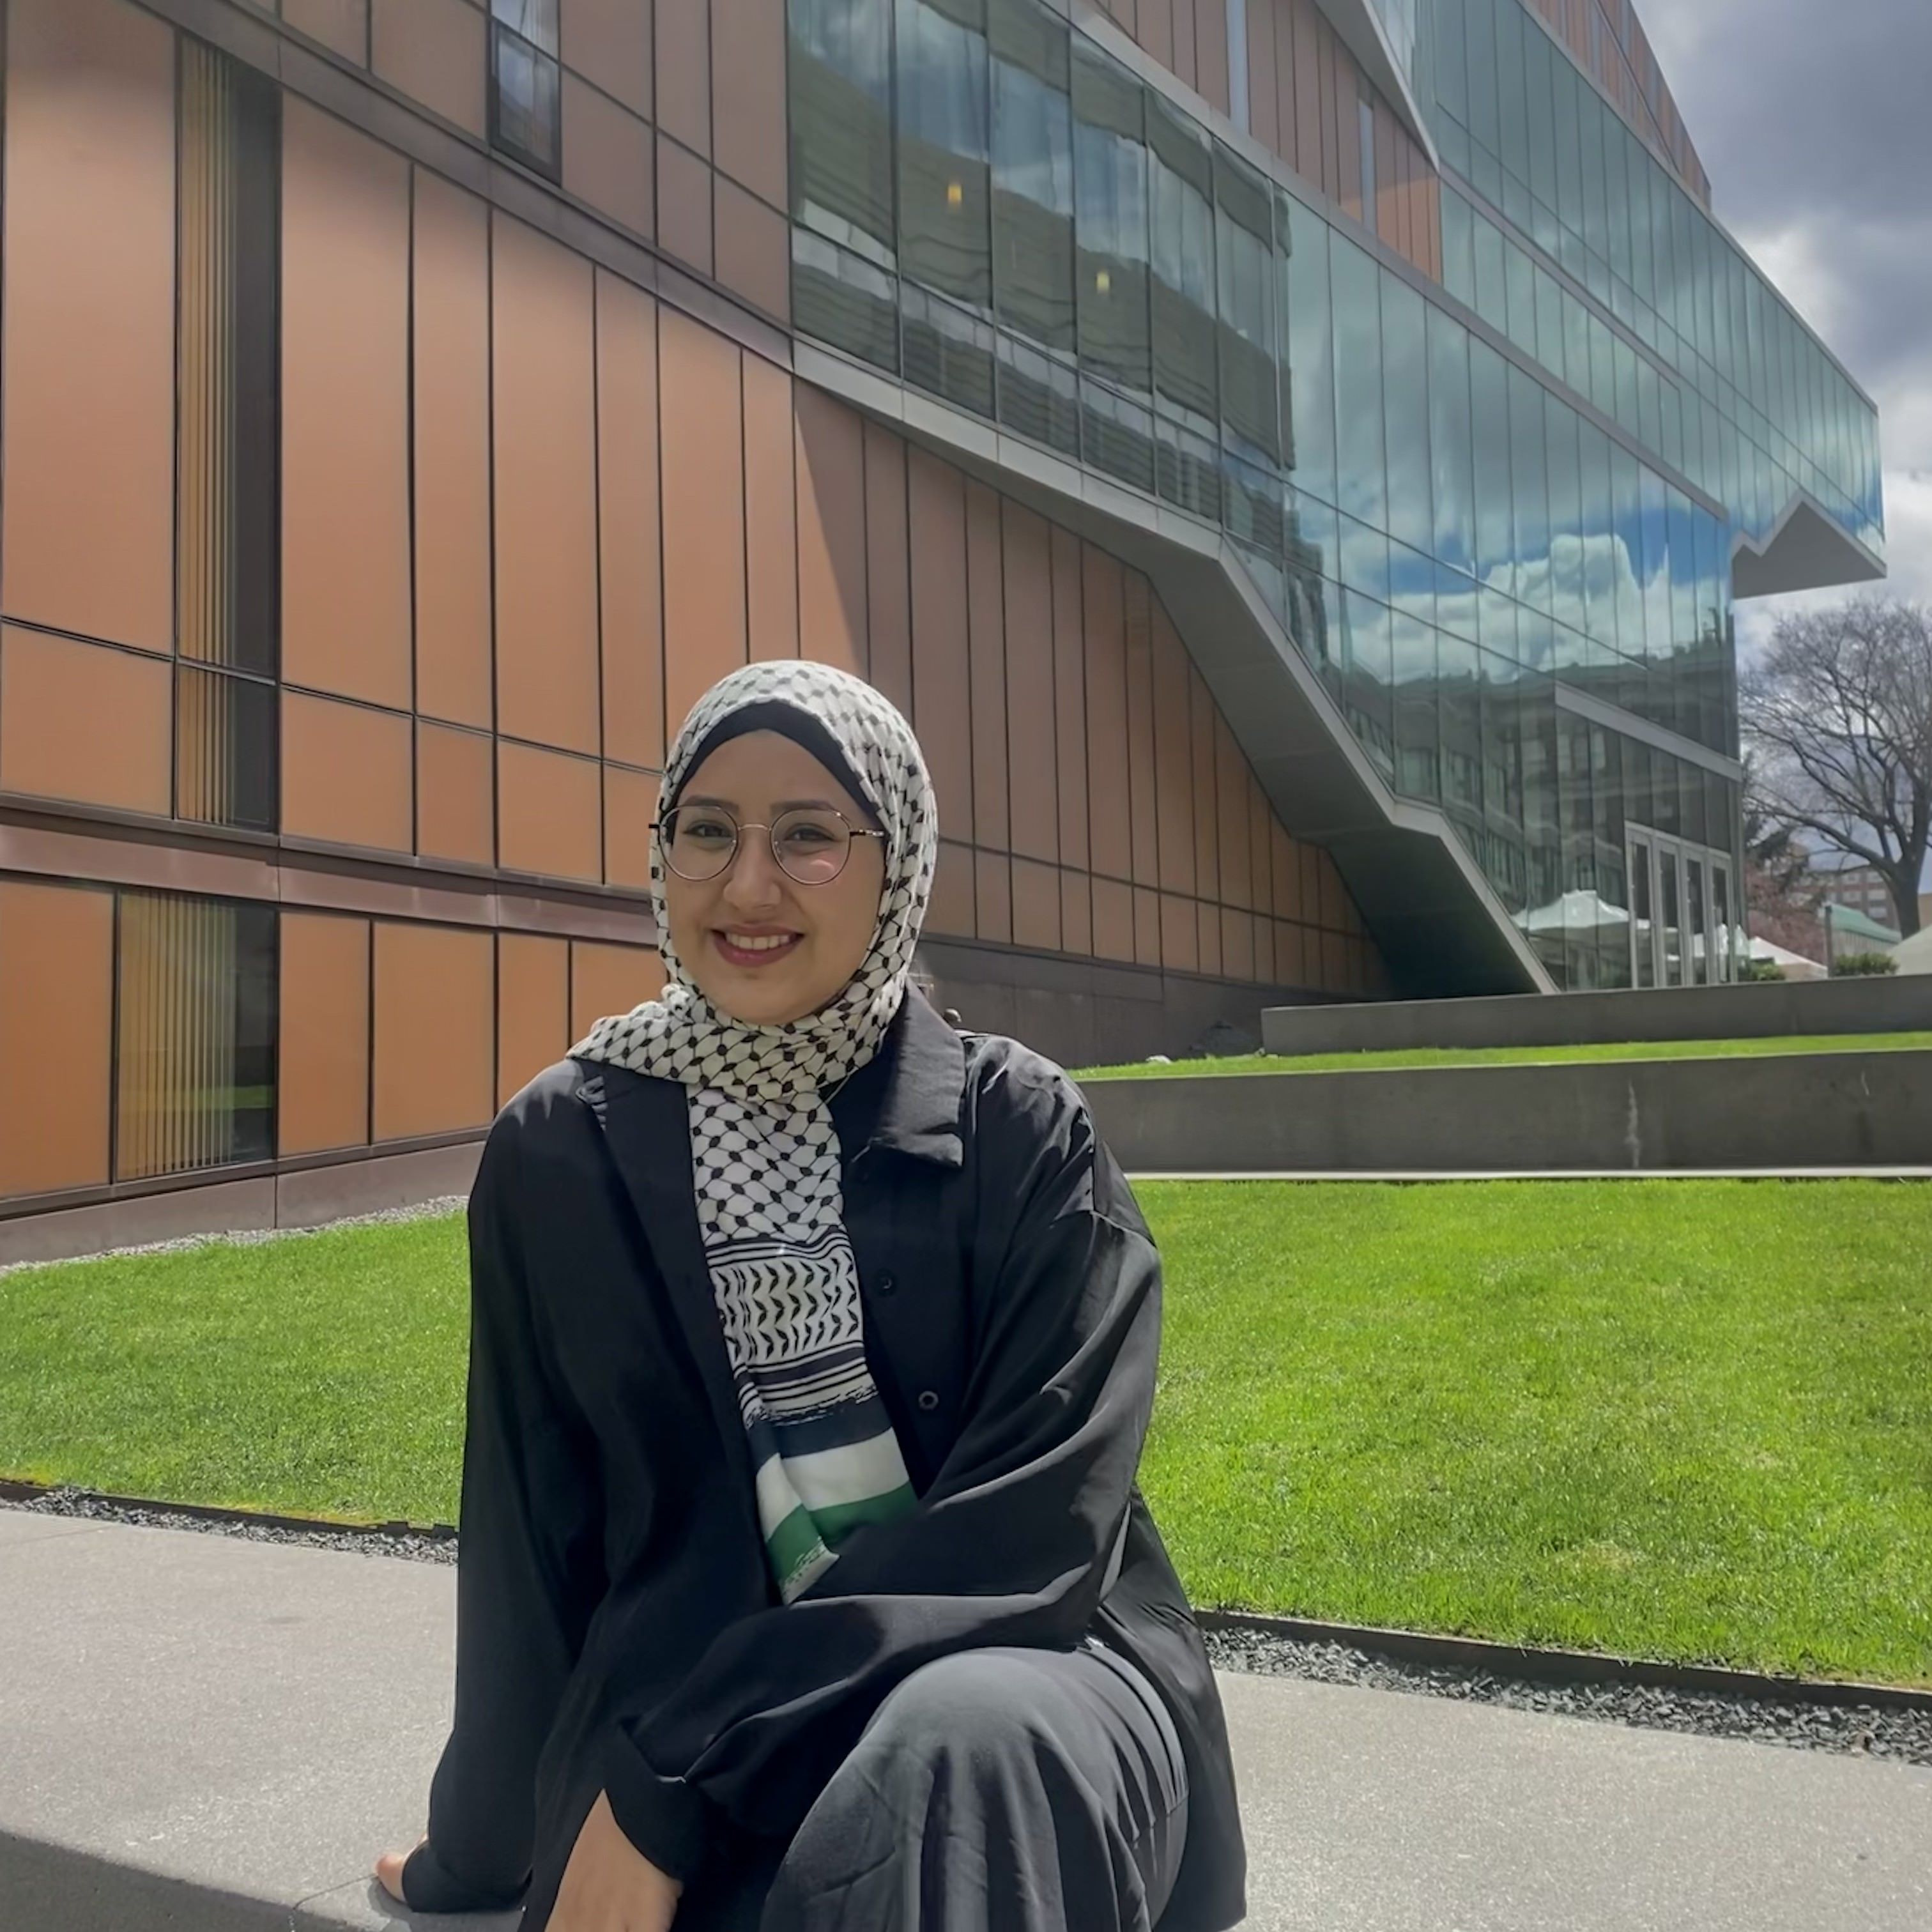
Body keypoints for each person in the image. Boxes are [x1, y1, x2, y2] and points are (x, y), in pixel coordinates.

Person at [373, 661, 1246, 1931]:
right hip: (677, 1730)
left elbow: (1037, 1528)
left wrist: (690, 1762)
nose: (748, 885)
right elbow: (527, 1539)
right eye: (708, 831)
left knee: (948, 1760)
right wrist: (482, 1847)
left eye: (808, 838)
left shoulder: (1019, 1127)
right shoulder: (556, 1151)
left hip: (1014, 1678)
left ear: (899, 864)